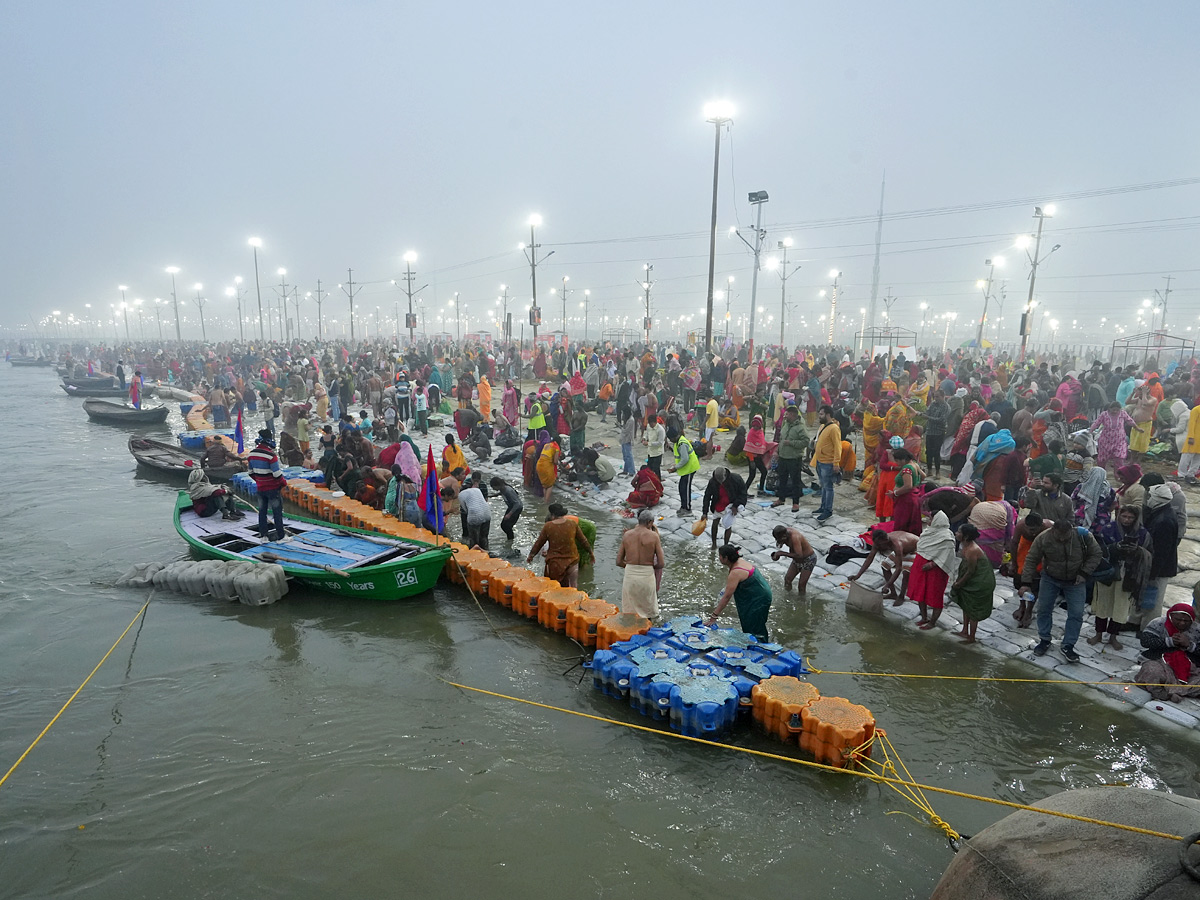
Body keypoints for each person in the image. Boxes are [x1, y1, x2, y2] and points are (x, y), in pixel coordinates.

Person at [1021, 517, 1103, 662]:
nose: (1063, 540)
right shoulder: (1043, 538)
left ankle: (1068, 645)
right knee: (1044, 609)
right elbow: (1031, 559)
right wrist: (1026, 582)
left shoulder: (1083, 536)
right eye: (1060, 537)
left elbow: (1096, 554)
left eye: (1067, 537)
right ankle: (1044, 639)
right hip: (1050, 578)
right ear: (1053, 531)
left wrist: (1084, 573)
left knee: (1077, 614)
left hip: (1076, 581)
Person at [1088, 505, 1152, 649]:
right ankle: (1098, 633)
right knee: (1103, 603)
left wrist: (1137, 551)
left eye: (1130, 517)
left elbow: (1149, 552)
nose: (1127, 520)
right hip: (1108, 572)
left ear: (1135, 518)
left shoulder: (1142, 533)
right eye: (1124, 516)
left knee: (1121, 606)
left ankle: (1113, 636)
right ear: (1119, 516)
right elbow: (1099, 550)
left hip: (1129, 574)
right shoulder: (1108, 529)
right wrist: (1115, 547)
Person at [705, 545, 773, 641]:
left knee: (754, 627)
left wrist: (714, 616)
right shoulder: (738, 562)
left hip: (758, 599)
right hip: (760, 593)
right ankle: (758, 644)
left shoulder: (735, 572)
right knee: (753, 624)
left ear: (726, 558)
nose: (718, 557)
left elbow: (727, 597)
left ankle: (761, 649)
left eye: (720, 556)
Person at [1135, 604, 1200, 702]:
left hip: (1188, 666)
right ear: (1171, 616)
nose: (1182, 623)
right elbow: (1145, 641)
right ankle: (1174, 693)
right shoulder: (1158, 623)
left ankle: (1167, 691)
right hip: (1160, 660)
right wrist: (1169, 642)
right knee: (1151, 671)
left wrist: (1189, 645)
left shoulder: (1197, 629)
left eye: (1186, 621)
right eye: (1178, 619)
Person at [1138, 483, 1179, 631]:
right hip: (1152, 564)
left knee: (1153, 600)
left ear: (1157, 499)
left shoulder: (1164, 521)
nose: (1148, 499)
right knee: (1143, 596)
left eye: (1150, 497)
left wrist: (1153, 572)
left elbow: (1161, 551)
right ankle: (1136, 622)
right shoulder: (1159, 513)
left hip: (1160, 568)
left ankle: (1149, 628)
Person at [909, 511, 957, 628]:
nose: (928, 520)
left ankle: (932, 622)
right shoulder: (927, 532)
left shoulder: (947, 537)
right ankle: (924, 617)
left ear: (937, 521)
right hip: (920, 566)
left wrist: (932, 564)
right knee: (920, 592)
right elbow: (921, 548)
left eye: (930, 518)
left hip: (936, 571)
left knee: (934, 596)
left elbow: (948, 556)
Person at [949, 523, 996, 643]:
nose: (956, 533)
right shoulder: (965, 546)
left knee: (973, 609)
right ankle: (965, 631)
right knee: (966, 605)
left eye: (959, 532)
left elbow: (971, 571)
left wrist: (959, 583)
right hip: (972, 579)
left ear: (966, 536)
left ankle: (972, 637)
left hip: (980, 582)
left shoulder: (972, 550)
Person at [527, 503, 592, 588]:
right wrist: (591, 553)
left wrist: (531, 555)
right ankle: (575, 601)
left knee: (554, 586)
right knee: (573, 586)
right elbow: (583, 541)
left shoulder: (548, 526)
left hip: (555, 562)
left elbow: (539, 543)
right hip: (572, 561)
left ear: (552, 515)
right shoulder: (572, 524)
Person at [617, 508, 665, 619]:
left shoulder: (627, 535)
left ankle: (629, 634)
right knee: (647, 613)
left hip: (630, 576)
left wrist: (630, 567)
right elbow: (661, 563)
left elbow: (618, 561)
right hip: (647, 576)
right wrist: (649, 569)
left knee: (630, 613)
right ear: (650, 522)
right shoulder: (654, 536)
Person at [849, 529, 919, 600]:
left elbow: (898, 569)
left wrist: (887, 585)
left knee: (905, 572)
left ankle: (901, 596)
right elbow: (869, 558)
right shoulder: (878, 542)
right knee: (885, 566)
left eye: (879, 545)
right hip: (903, 550)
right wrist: (857, 575)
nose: (877, 547)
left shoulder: (896, 545)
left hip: (914, 549)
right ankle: (893, 593)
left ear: (886, 541)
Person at [247, 429, 287, 542]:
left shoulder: (251, 454)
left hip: (260, 488)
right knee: (277, 512)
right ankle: (281, 537)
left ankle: (264, 536)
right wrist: (283, 483)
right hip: (273, 489)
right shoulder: (271, 455)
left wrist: (260, 481)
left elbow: (250, 472)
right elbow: (277, 474)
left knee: (262, 512)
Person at [772, 405, 809, 514]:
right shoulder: (785, 424)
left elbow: (806, 441)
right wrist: (777, 451)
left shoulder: (801, 428)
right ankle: (781, 499)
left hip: (794, 458)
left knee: (795, 481)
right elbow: (781, 439)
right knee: (782, 479)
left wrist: (792, 443)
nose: (785, 416)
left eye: (787, 414)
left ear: (793, 415)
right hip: (783, 457)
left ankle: (795, 503)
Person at [701, 466, 748, 548]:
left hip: (730, 504)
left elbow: (743, 494)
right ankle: (714, 543)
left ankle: (725, 545)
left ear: (725, 475)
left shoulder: (736, 479)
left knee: (728, 525)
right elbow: (707, 496)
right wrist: (705, 512)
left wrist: (735, 505)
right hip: (718, 503)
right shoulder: (712, 482)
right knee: (715, 522)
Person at [811, 404, 841, 523]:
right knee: (823, 485)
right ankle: (823, 506)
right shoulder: (822, 426)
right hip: (819, 460)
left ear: (828, 415)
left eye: (821, 414)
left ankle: (828, 510)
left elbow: (837, 446)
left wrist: (836, 463)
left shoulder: (834, 428)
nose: (819, 416)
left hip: (828, 462)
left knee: (828, 487)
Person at [770, 525, 816, 594]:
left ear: (785, 535)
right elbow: (780, 544)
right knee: (787, 580)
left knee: (801, 585)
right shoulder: (783, 534)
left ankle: (801, 602)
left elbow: (799, 555)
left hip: (808, 560)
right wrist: (776, 555)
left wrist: (782, 553)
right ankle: (788, 597)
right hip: (796, 560)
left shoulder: (795, 537)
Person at [889, 447, 924, 535]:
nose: (897, 463)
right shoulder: (915, 464)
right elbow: (923, 475)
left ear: (903, 459)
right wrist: (916, 483)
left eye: (897, 461)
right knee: (911, 521)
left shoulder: (906, 469)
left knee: (902, 522)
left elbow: (908, 486)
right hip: (914, 496)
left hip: (906, 500)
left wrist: (895, 493)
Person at [665, 427, 700, 515]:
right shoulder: (678, 442)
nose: (670, 441)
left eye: (670, 439)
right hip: (685, 469)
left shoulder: (682, 444)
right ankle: (683, 506)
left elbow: (685, 459)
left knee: (686, 489)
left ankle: (687, 509)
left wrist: (675, 468)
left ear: (673, 438)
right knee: (681, 487)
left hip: (690, 468)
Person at [458, 476, 492, 550]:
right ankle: (486, 552)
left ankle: (474, 554)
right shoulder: (477, 490)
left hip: (474, 515)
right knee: (484, 537)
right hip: (487, 513)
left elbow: (465, 510)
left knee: (473, 539)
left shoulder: (460, 495)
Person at [489, 476, 524, 540]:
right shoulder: (502, 489)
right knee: (503, 525)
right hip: (511, 507)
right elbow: (501, 493)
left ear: (497, 485)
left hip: (517, 508)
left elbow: (517, 503)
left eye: (493, 487)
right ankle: (510, 537)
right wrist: (493, 496)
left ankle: (510, 539)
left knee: (507, 526)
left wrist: (509, 514)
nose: (493, 489)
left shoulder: (508, 491)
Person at [534, 428, 562, 503]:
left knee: (544, 485)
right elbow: (555, 461)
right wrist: (560, 465)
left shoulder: (547, 444)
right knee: (549, 485)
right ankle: (546, 502)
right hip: (546, 466)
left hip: (539, 465)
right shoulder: (556, 447)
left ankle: (544, 500)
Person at [619, 411, 637, 476]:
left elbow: (626, 431)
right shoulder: (626, 419)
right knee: (625, 456)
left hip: (628, 440)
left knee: (629, 456)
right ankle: (626, 470)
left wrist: (620, 427)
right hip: (624, 439)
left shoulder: (631, 420)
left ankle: (632, 471)